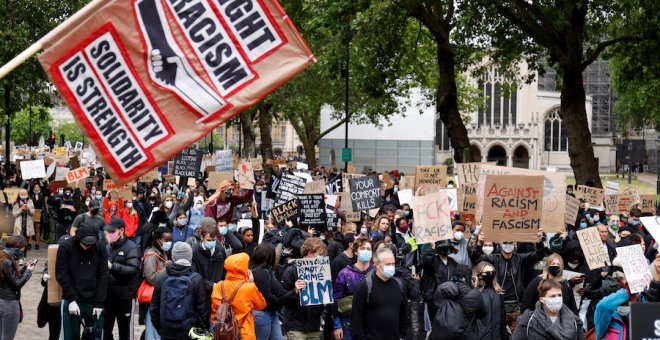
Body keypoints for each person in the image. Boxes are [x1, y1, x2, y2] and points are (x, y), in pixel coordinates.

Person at [472, 229, 545, 331]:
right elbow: (476, 259)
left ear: (514, 244)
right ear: (500, 244)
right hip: (499, 303)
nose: (508, 245)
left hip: (517, 305)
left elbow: (538, 255)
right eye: (505, 242)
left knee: (516, 334)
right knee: (499, 332)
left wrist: (539, 241)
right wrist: (479, 243)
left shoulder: (520, 259)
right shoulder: (494, 259)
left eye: (510, 242)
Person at [56, 223, 109, 340]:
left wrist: (99, 303)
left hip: (94, 300)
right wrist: (71, 299)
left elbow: (103, 275)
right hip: (73, 300)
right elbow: (62, 275)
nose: (86, 247)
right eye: (84, 244)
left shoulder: (100, 247)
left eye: (90, 244)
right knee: (70, 337)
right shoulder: (66, 247)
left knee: (96, 335)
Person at [150, 242, 209, 340]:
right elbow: (202, 310)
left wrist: (161, 329)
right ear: (190, 256)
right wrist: (202, 331)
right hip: (189, 331)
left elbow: (154, 308)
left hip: (167, 331)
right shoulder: (196, 279)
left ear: (173, 256)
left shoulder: (161, 277)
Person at [351, 247, 408, 340]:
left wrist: (403, 335)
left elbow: (404, 315)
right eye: (388, 264)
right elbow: (356, 318)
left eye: (393, 264)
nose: (391, 267)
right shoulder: (364, 286)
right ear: (377, 265)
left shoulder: (399, 285)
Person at [280, 238, 328, 339]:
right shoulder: (291, 270)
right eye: (320, 255)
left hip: (314, 327)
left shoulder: (322, 271)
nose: (322, 258)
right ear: (310, 253)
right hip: (296, 327)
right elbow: (282, 298)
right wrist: (295, 291)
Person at [211, 252, 267, 339]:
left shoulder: (219, 286)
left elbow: (215, 310)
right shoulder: (249, 287)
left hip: (224, 333)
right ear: (244, 268)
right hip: (244, 333)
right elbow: (261, 305)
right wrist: (252, 283)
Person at [104, 218, 140, 340]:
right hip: (108, 296)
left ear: (121, 231)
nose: (110, 234)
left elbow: (132, 270)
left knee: (125, 331)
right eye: (108, 232)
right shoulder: (107, 247)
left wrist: (112, 266)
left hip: (125, 297)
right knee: (105, 329)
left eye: (112, 232)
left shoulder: (131, 248)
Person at [513, 279, 585, 340]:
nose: (557, 299)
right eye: (552, 296)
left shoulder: (574, 321)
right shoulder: (528, 321)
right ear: (542, 299)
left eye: (559, 295)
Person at [333, 239, 374, 340]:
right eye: (362, 248)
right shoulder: (344, 273)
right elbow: (336, 300)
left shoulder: (377, 272)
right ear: (356, 251)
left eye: (368, 249)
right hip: (349, 324)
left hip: (373, 323)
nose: (366, 251)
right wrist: (337, 325)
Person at [0, 236, 36, 339]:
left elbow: (9, 278)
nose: (22, 253)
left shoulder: (2, 257)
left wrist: (25, 268)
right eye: (22, 250)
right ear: (17, 248)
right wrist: (28, 272)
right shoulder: (7, 261)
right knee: (7, 337)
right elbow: (16, 284)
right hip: (8, 303)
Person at [141, 225, 171, 340]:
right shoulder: (151, 255)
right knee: (152, 329)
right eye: (166, 240)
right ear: (159, 240)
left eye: (170, 240)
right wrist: (167, 270)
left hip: (160, 297)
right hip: (152, 298)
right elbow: (151, 277)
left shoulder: (163, 253)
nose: (169, 243)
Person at [250, 243, 284, 340]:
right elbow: (266, 296)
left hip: (269, 312)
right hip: (262, 313)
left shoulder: (259, 270)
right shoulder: (261, 273)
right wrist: (279, 302)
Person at [468, 261, 508, 340]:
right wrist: (475, 288)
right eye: (487, 272)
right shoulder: (474, 292)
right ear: (479, 275)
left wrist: (504, 336)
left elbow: (502, 318)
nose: (490, 274)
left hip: (497, 336)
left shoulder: (498, 293)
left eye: (492, 272)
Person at [420, 239, 459, 320]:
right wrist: (432, 249)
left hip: (448, 298)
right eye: (443, 247)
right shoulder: (433, 260)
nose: (446, 249)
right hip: (433, 298)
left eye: (448, 247)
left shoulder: (453, 262)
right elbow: (426, 262)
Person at [192, 221, 228, 296]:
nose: (211, 242)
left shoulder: (220, 251)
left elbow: (225, 270)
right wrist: (211, 285)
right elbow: (194, 275)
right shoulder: (195, 252)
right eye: (208, 240)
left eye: (214, 240)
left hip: (219, 293)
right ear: (202, 237)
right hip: (202, 293)